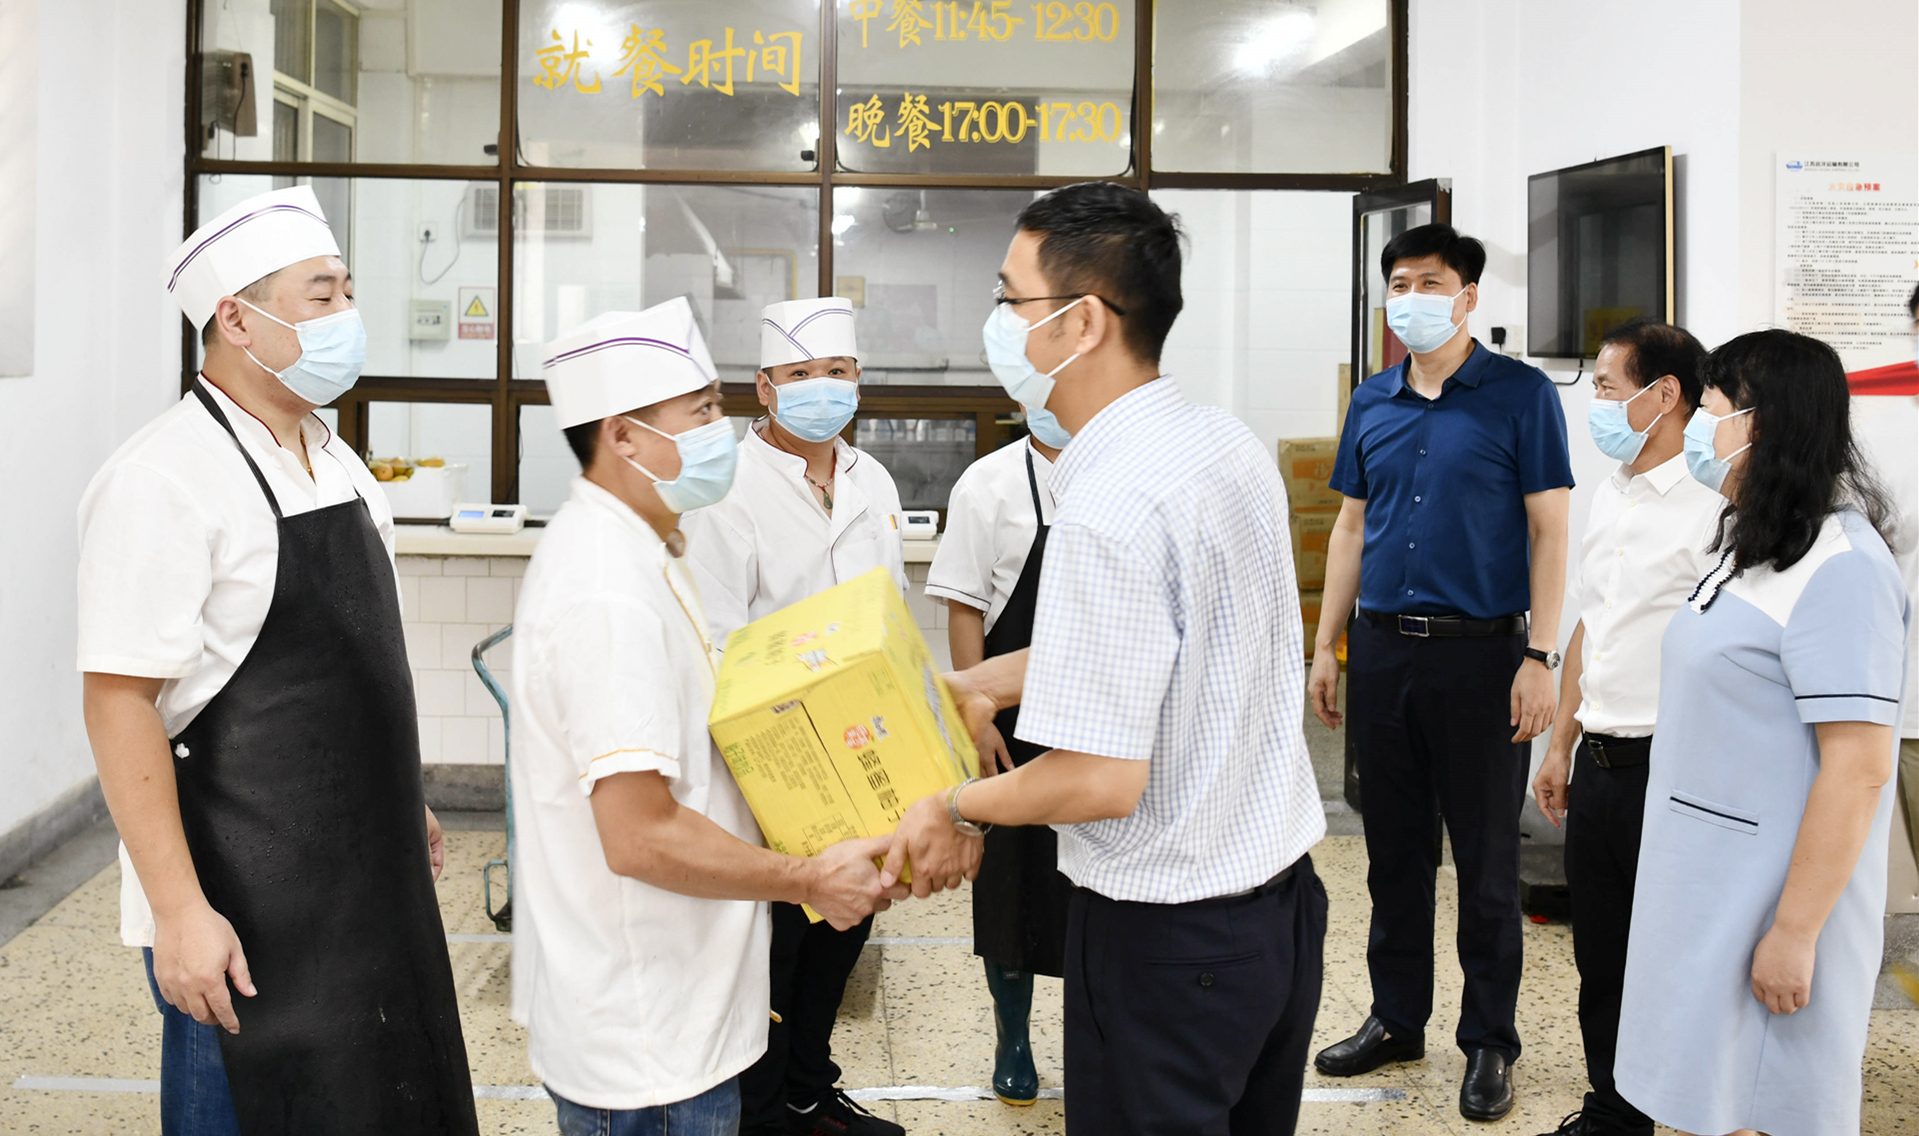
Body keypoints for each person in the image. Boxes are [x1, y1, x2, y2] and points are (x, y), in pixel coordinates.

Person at [887, 181, 1328, 1136]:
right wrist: (986, 680)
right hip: (1279, 915)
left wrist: (953, 806)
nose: (998, 324)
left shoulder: (1106, 505)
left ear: (1081, 322)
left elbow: (1097, 779)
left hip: (1168, 945)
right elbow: (1176, 646)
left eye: (1010, 299)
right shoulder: (1223, 444)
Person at [77, 185, 478, 1133]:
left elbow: (358, 664)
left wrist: (399, 794)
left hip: (368, 875)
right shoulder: (162, 479)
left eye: (349, 293)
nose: (348, 317)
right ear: (236, 320)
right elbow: (119, 704)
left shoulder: (336, 461)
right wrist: (181, 913)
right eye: (322, 296)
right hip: (240, 897)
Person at [510, 298, 903, 1135]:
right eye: (700, 413)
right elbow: (640, 836)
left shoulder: (646, 550)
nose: (718, 432)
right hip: (645, 1035)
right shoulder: (607, 591)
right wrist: (806, 879)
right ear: (624, 437)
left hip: (683, 1003)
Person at [1308, 222, 1573, 1122]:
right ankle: (1396, 1017)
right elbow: (1350, 526)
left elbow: (1549, 530)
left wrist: (1539, 655)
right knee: (1393, 853)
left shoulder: (1519, 396)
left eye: (1429, 283)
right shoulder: (1372, 399)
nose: (1410, 298)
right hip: (1384, 650)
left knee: (1487, 863)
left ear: (1466, 298)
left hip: (1483, 656)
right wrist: (1327, 644)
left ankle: (1489, 1041)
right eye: (1398, 283)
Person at [1614, 329, 1907, 1136]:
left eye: (1709, 408)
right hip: (1706, 883)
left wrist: (1793, 932)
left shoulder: (1843, 568)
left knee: (1757, 1104)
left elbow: (1858, 770)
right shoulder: (1754, 541)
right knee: (1704, 1101)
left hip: (1769, 899)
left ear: (1761, 423)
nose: (1696, 429)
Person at [680, 296, 908, 1136]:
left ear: (859, 380)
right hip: (770, 751)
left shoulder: (871, 481)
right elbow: (713, 637)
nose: (822, 387)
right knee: (774, 942)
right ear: (764, 387)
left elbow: (889, 612)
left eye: (837, 371)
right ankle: (764, 1110)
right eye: (801, 373)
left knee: (844, 925)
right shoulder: (726, 487)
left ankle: (812, 1090)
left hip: (861, 748)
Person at [1526, 319, 1719, 1136]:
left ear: (1663, 394)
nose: (1596, 404)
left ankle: (1690, 1105)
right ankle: (1612, 1110)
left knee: (1673, 957)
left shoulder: (1714, 505)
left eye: (1605, 387)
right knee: (1600, 953)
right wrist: (1560, 743)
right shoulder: (1613, 490)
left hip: (1671, 767)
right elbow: (1590, 625)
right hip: (1599, 764)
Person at [922, 404, 1072, 1107]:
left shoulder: (1119, 468)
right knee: (1013, 881)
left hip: (1099, 709)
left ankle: (1097, 1029)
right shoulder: (987, 483)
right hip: (1008, 721)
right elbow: (964, 607)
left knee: (1097, 885)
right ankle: (1013, 1037)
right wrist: (974, 716)